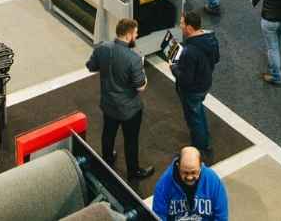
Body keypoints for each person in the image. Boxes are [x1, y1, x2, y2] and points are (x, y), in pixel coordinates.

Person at [86, 18, 153, 180]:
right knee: (131, 141)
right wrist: (144, 74)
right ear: (128, 35)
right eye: (135, 33)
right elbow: (140, 87)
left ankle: (107, 158)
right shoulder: (134, 58)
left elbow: (91, 66)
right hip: (129, 109)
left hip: (108, 103)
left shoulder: (102, 47)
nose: (136, 36)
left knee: (108, 133)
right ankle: (133, 172)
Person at [172, 11, 219, 157]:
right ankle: (204, 140)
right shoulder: (211, 38)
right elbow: (216, 58)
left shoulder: (189, 51)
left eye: (182, 24)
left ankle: (199, 147)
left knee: (194, 118)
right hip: (205, 83)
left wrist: (173, 68)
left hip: (192, 89)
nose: (180, 26)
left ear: (190, 28)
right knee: (198, 111)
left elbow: (186, 79)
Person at [151, 147, 229, 221]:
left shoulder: (213, 182)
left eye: (193, 172)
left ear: (200, 166)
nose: (189, 177)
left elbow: (221, 217)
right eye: (185, 172)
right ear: (178, 166)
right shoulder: (163, 185)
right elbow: (158, 216)